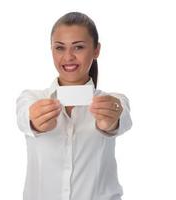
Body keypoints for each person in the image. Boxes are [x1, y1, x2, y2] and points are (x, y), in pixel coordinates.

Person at [16, 12, 132, 200]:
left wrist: (109, 123)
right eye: (60, 48)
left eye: (78, 47)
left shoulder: (114, 101)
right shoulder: (31, 98)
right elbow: (23, 118)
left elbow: (122, 117)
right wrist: (35, 123)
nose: (68, 57)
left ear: (96, 50)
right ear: (51, 50)